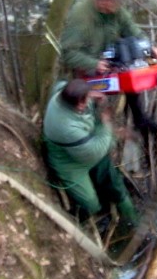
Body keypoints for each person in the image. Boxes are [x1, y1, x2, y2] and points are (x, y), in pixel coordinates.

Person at [59, 0, 157, 134]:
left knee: (131, 69)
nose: (115, 10)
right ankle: (97, 130)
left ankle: (140, 120)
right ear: (101, 0)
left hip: (110, 57)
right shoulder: (80, 16)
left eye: (116, 6)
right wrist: (93, 63)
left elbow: (131, 29)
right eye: (111, 6)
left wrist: (148, 47)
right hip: (87, 64)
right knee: (93, 97)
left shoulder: (117, 10)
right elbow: (67, 53)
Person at [42, 79, 139, 228]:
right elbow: (94, 152)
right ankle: (85, 217)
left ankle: (129, 216)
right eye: (86, 100)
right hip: (69, 162)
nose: (89, 101)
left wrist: (91, 92)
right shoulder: (66, 126)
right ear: (80, 105)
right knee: (91, 204)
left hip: (84, 145)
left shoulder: (62, 93)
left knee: (113, 183)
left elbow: (61, 83)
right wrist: (107, 126)